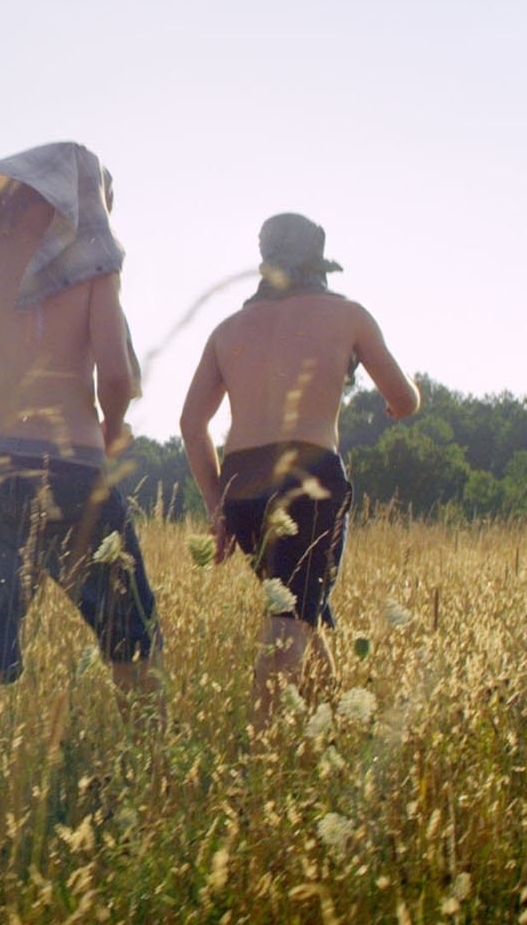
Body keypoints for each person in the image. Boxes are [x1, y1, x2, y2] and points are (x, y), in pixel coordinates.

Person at [0, 142, 165, 787]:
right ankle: (157, 779)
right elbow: (117, 373)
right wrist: (110, 431)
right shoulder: (90, 267)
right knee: (130, 638)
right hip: (76, 473)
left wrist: (4, 414)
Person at [179, 212, 419, 734]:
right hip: (308, 479)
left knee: (304, 609)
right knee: (290, 620)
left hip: (242, 484)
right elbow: (404, 398)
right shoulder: (348, 315)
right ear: (319, 262)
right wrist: (388, 412)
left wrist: (217, 506)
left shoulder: (228, 329)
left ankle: (326, 735)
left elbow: (191, 422)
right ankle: (259, 752)